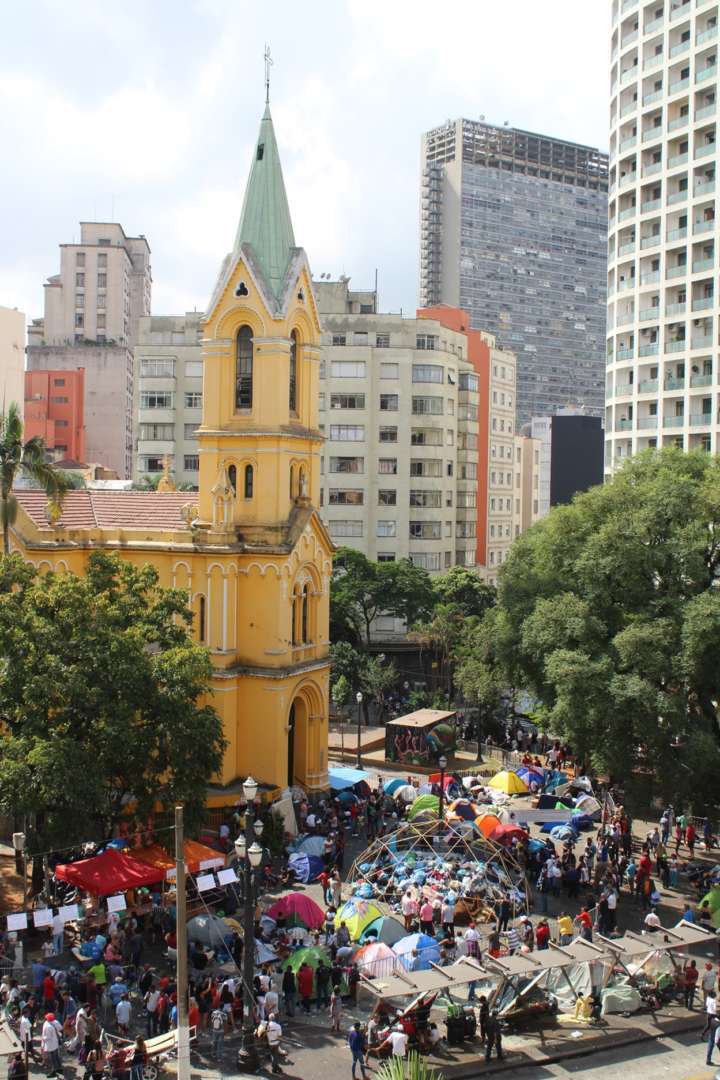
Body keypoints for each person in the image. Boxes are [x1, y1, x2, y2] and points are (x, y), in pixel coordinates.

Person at [41, 1012, 63, 1078]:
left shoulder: (48, 1026)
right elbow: (61, 1028)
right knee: (56, 1056)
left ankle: (54, 1072)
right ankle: (59, 1069)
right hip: (55, 1043)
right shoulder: (55, 1022)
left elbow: (47, 1037)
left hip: (51, 1045)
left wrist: (43, 1038)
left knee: (53, 1059)